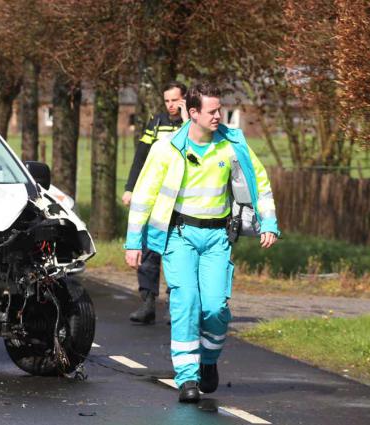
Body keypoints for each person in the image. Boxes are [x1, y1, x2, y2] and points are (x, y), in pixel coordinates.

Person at [123, 82, 278, 403]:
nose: (218, 116)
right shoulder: (167, 149)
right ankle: (187, 378)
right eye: (212, 111)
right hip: (179, 236)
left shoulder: (233, 143)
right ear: (192, 113)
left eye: (220, 110)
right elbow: (143, 195)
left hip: (218, 238)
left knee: (215, 308)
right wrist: (133, 241)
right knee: (186, 303)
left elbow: (259, 182)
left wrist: (269, 222)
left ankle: (208, 362)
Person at [123, 81, 188, 324]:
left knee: (176, 254)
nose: (170, 105)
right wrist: (130, 188)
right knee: (149, 252)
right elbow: (141, 158)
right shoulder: (157, 123)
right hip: (156, 200)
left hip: (180, 202)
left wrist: (185, 118)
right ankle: (148, 302)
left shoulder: (192, 126)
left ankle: (174, 305)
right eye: (167, 101)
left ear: (184, 100)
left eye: (175, 100)